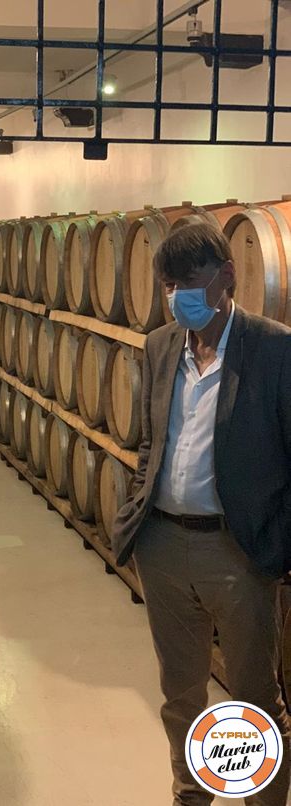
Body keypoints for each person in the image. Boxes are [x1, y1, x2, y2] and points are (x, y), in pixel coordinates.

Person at [113, 221, 291, 806]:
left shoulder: (275, 349)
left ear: (227, 276)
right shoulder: (161, 345)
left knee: (254, 699)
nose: (177, 296)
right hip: (163, 545)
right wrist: (136, 512)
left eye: (189, 282)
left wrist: (277, 545)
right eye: (169, 285)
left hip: (237, 551)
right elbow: (150, 441)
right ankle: (191, 794)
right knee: (181, 694)